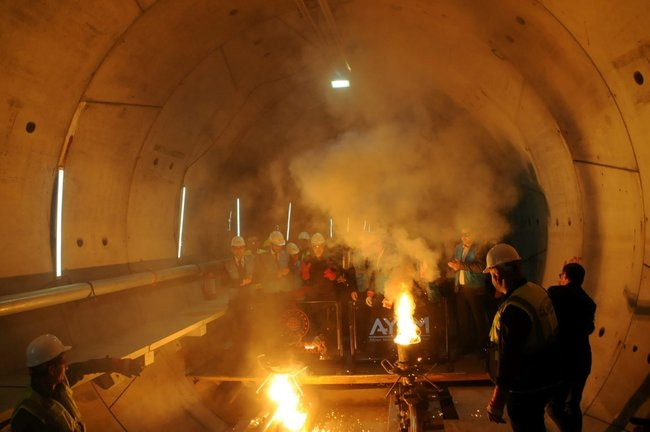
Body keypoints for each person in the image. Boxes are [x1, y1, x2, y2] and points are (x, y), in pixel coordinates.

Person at [483, 243, 561, 431]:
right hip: (550, 375)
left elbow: (511, 358)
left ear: (497, 274)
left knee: (526, 425)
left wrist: (497, 401)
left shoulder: (515, 309)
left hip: (527, 385)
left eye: (491, 276)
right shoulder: (536, 290)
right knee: (536, 423)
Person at [11, 334, 142, 432]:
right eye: (64, 364)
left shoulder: (58, 383)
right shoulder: (26, 416)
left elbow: (85, 367)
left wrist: (120, 365)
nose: (67, 368)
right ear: (52, 370)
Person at [547, 262, 596, 432]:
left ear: (565, 276)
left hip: (562, 359)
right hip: (582, 358)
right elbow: (590, 328)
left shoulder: (554, 293)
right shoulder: (589, 302)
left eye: (561, 275)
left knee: (553, 406)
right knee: (573, 404)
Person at [447, 229, 488, 356]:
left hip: (475, 288)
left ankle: (483, 347)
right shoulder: (458, 248)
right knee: (463, 319)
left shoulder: (480, 248)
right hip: (461, 287)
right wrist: (452, 265)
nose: (464, 237)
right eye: (462, 235)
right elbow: (457, 264)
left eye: (467, 234)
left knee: (478, 318)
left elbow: (482, 267)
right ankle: (465, 346)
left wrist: (462, 266)